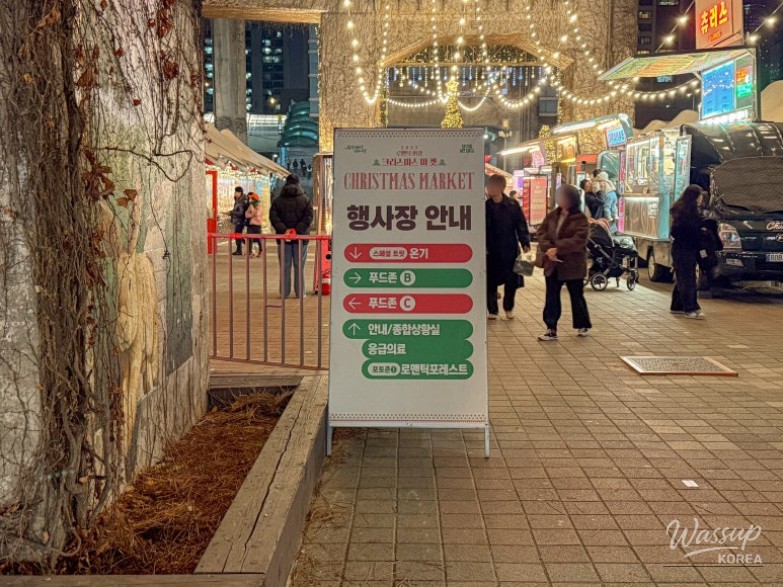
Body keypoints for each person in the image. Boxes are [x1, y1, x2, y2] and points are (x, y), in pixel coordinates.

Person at [536, 184, 592, 341]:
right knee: (552, 296)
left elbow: (579, 240)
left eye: (565, 197)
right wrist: (549, 248)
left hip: (573, 264)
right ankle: (551, 328)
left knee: (576, 295)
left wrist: (557, 248)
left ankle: (582, 324)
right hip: (553, 264)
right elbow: (542, 232)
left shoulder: (580, 218)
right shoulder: (552, 215)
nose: (562, 200)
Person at [485, 174, 531, 320]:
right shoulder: (485, 206)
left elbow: (521, 224)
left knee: (511, 280)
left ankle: (508, 307)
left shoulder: (512, 204)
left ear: (501, 187)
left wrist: (525, 242)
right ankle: (492, 310)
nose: (490, 189)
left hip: (510, 247)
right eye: (489, 186)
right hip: (490, 249)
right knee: (490, 281)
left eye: (493, 186)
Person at [270, 175, 314, 298]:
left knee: (285, 266)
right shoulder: (305, 199)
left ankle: (284, 293)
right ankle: (300, 293)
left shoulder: (278, 200)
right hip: (301, 238)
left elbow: (273, 217)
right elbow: (309, 217)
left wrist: (285, 230)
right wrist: (297, 230)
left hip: (283, 239)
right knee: (299, 266)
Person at [670, 184, 706, 319]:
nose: (702, 198)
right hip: (686, 249)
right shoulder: (689, 213)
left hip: (680, 248)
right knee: (688, 278)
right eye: (700, 195)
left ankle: (677, 305)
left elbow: (674, 231)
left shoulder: (681, 210)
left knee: (683, 276)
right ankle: (690, 307)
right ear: (694, 197)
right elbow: (686, 231)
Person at [229, 186, 248, 256]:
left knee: (238, 235)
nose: (235, 193)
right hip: (240, 220)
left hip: (240, 220)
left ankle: (242, 248)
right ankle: (240, 249)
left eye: (236, 192)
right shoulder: (240, 200)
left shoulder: (240, 201)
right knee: (238, 235)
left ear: (239, 192)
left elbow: (240, 213)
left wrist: (231, 212)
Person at [245, 192, 264, 256]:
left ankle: (261, 251)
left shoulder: (259, 205)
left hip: (257, 225)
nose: (250, 200)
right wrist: (252, 214)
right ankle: (250, 252)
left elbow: (257, 214)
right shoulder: (250, 205)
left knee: (258, 239)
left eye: (251, 198)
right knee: (250, 238)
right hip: (251, 224)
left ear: (254, 199)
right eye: (250, 198)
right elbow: (246, 214)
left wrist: (252, 210)